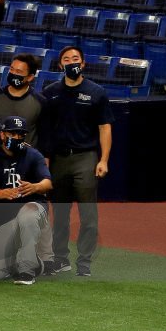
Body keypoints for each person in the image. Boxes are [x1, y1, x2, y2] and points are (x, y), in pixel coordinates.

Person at [41, 46, 113, 277]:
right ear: (60, 65)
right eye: (66, 59)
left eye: (75, 59)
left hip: (86, 157)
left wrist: (103, 159)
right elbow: (44, 128)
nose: (71, 62)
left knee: (88, 215)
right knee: (60, 214)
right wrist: (44, 157)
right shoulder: (50, 92)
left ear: (83, 64)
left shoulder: (96, 92)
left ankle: (84, 262)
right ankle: (60, 259)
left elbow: (104, 127)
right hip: (59, 159)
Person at [0, 116, 53, 285]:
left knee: (28, 214)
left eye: (21, 134)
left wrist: (35, 187)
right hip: (4, 219)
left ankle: (27, 270)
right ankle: (27, 260)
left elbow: (48, 183)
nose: (17, 138)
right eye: (13, 133)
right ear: (3, 134)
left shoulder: (32, 155)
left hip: (30, 208)